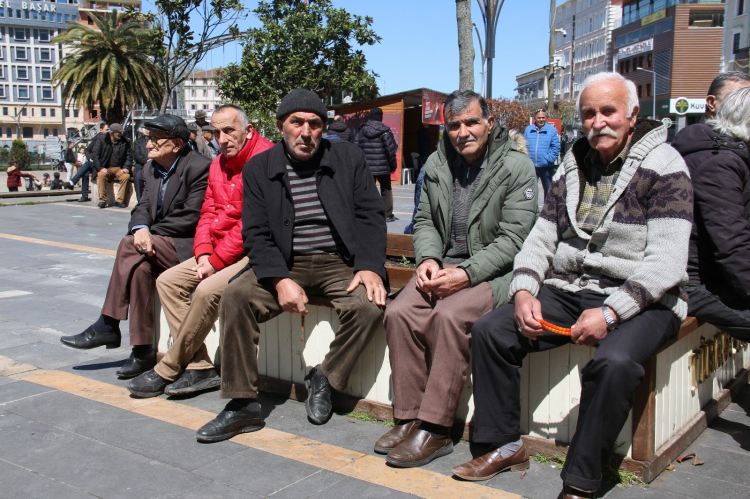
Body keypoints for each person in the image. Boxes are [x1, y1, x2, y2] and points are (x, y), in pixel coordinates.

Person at [452, 73, 693, 499]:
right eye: (589, 113)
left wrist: (611, 312)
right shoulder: (572, 161)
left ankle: (580, 482)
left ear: (632, 114)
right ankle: (503, 445)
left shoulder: (667, 164)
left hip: (644, 297)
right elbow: (540, 238)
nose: (598, 122)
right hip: (569, 288)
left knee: (615, 363)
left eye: (608, 111)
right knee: (492, 330)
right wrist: (523, 290)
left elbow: (667, 263)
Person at [196, 88, 387, 443]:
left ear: (323, 127)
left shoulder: (348, 157)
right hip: (285, 261)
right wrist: (279, 279)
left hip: (338, 262)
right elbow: (255, 233)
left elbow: (371, 217)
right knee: (236, 296)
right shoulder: (260, 168)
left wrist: (369, 266)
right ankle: (242, 405)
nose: (306, 131)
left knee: (369, 305)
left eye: (315, 124)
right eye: (297, 122)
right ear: (281, 125)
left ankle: (325, 377)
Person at [377, 90, 538, 468]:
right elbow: (425, 221)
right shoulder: (437, 163)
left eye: (471, 122)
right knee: (399, 312)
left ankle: (436, 428)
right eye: (454, 125)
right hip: (444, 265)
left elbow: (514, 240)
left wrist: (466, 274)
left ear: (489, 123)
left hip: (495, 273)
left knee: (449, 317)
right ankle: (409, 416)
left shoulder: (516, 167)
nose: (463, 132)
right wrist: (428, 259)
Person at [126, 105, 273, 398]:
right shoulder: (218, 163)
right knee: (168, 282)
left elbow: (252, 224)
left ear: (248, 130)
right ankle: (199, 365)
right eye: (216, 133)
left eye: (229, 131)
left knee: (206, 291)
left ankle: (168, 367)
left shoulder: (265, 160)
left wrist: (215, 261)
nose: (222, 139)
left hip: (255, 250)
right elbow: (207, 212)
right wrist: (204, 251)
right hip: (219, 250)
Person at [60, 115, 210, 379]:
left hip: (187, 245)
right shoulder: (150, 169)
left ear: (176, 143)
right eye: (148, 138)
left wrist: (148, 234)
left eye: (155, 139)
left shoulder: (200, 167)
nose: (148, 145)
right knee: (140, 269)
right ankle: (142, 351)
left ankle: (108, 323)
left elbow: (191, 216)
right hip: (159, 242)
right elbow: (143, 206)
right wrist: (141, 228)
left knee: (128, 244)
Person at [672, 86, 750, 341]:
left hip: (718, 276)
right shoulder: (719, 163)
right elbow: (732, 246)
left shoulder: (732, 156)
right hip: (695, 282)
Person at [354, 107, 399, 222]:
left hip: (367, 167)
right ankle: (387, 214)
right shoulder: (384, 131)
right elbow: (390, 151)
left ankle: (369, 213)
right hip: (383, 167)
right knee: (386, 189)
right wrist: (393, 166)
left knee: (368, 190)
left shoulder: (361, 130)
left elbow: (355, 148)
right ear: (381, 117)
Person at [90, 123, 132, 208]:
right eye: (118, 132)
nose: (120, 134)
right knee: (101, 175)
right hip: (105, 167)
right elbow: (95, 155)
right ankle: (102, 200)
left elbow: (129, 156)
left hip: (119, 168)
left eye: (121, 132)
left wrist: (126, 167)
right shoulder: (101, 139)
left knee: (126, 177)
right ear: (112, 132)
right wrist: (100, 168)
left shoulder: (124, 141)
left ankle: (120, 201)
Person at [64, 122, 109, 202]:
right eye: (106, 130)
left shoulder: (109, 140)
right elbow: (87, 150)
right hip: (94, 163)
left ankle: (73, 183)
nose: (108, 132)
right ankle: (83, 195)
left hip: (102, 164)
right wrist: (89, 158)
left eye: (109, 130)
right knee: (85, 172)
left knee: (86, 165)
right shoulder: (97, 139)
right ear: (101, 130)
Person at [524, 108, 561, 198]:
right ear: (535, 118)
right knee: (529, 191)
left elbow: (556, 147)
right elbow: (523, 145)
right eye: (539, 118)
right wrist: (526, 159)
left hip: (546, 167)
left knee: (548, 191)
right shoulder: (528, 130)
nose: (541, 120)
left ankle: (547, 207)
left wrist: (549, 159)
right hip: (531, 166)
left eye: (543, 117)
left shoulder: (552, 130)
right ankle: (532, 207)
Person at [132, 128, 149, 202]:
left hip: (153, 165)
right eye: (147, 129)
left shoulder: (156, 140)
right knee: (138, 177)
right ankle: (140, 201)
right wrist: (146, 161)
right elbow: (137, 155)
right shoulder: (138, 142)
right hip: (141, 166)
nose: (148, 131)